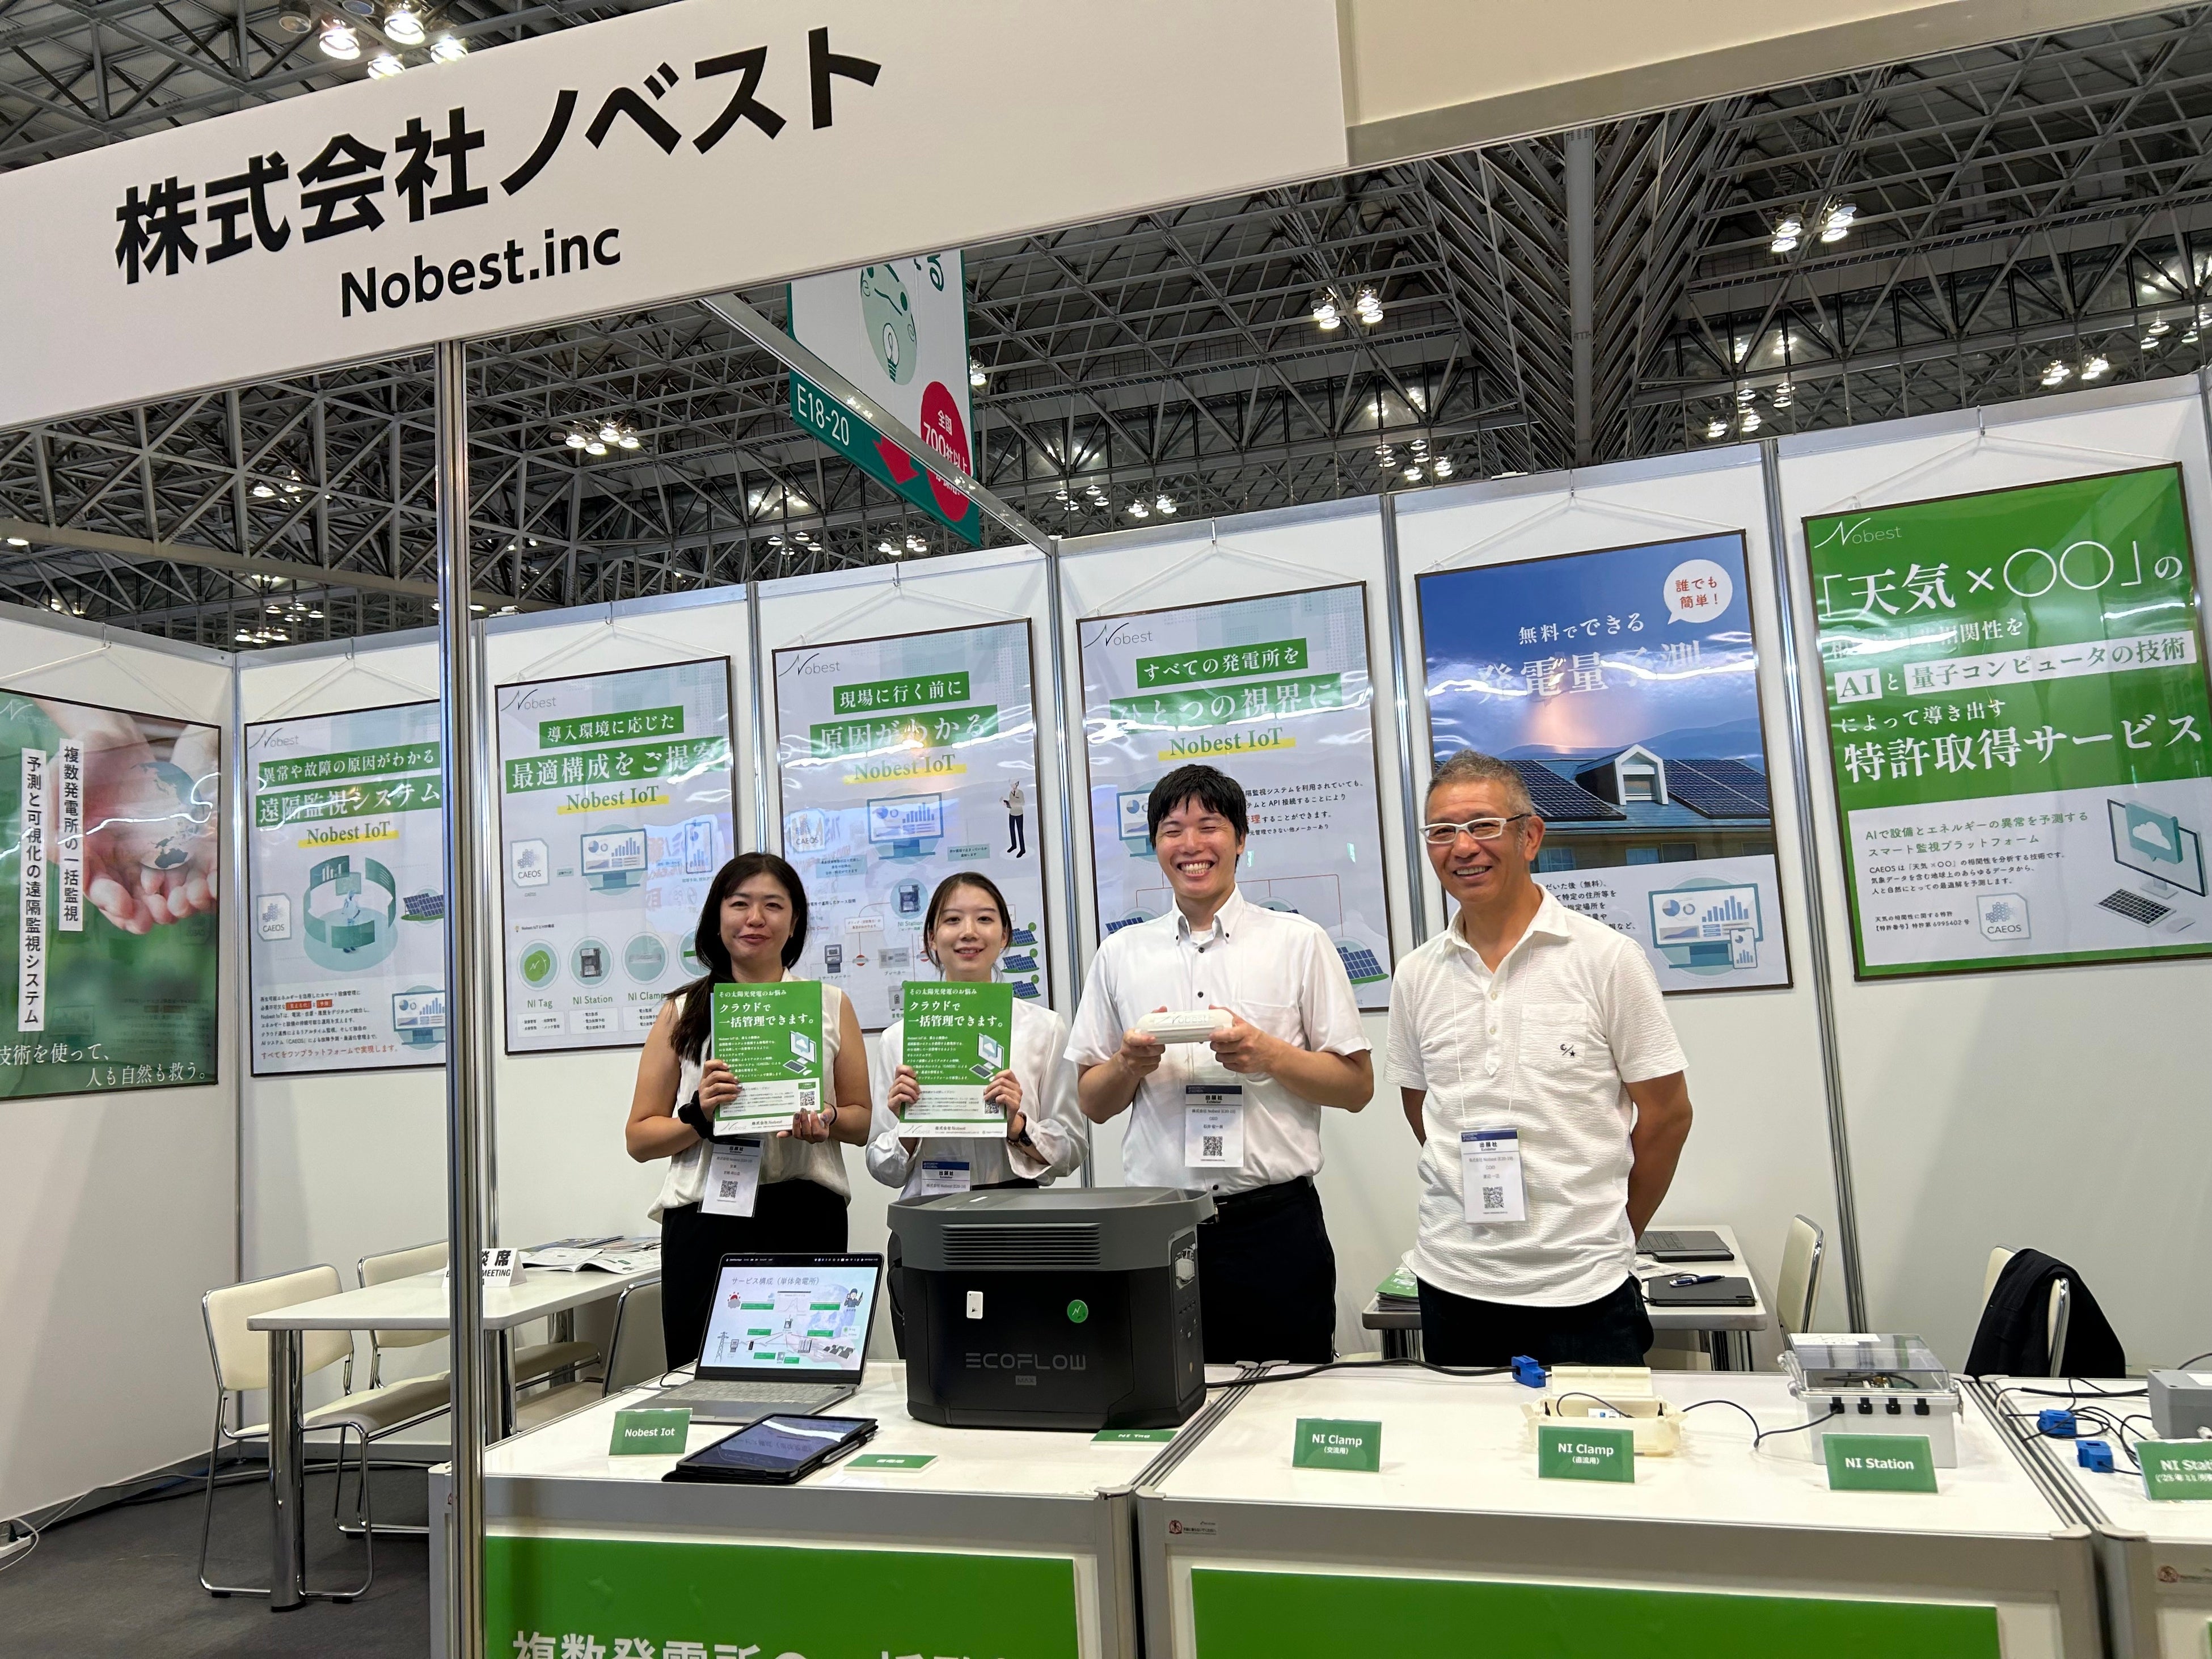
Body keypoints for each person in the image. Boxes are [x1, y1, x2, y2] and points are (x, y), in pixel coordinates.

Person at [1386, 749, 1694, 1367]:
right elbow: (1424, 1109)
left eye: (1482, 825)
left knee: (1598, 1434)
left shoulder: (1606, 959)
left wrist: (1614, 1230)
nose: (1462, 847)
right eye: (1442, 831)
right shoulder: (1417, 974)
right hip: (1453, 1282)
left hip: (1585, 1291)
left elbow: (1668, 1115)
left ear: (1530, 837)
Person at [1067, 763, 1371, 1363]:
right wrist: (1128, 1064)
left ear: (1240, 837)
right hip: (1159, 1228)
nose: (1191, 844)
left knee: (1290, 1401)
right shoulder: (1121, 953)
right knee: (1162, 1397)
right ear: (1155, 845)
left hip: (1274, 1230)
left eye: (1209, 826)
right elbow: (1092, 1103)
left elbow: (1356, 1087)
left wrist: (1269, 1054)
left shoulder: (1298, 942)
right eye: (1172, 830)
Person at [626, 851, 872, 1367]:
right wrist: (698, 1117)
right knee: (703, 1377)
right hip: (707, 1218)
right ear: (717, 916)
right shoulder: (681, 1011)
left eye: (772, 905)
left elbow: (861, 1120)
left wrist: (826, 1119)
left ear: (794, 922)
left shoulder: (830, 1004)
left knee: (809, 1372)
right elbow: (640, 1137)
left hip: (807, 1211)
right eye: (739, 903)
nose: (755, 918)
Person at [867, 871, 1084, 1199]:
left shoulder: (1045, 1028)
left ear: (1005, 935)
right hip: (930, 1208)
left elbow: (1071, 1150)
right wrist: (908, 1128)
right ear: (931, 938)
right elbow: (880, 1167)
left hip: (1019, 1207)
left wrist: (1017, 1127)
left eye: (984, 919)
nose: (969, 932)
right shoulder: (898, 1038)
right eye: (952, 920)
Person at [1002, 779, 1027, 858]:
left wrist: (1013, 804)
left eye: (1013, 784)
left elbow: (1023, 803)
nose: (1012, 786)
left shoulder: (1020, 793)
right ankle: (1014, 845)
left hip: (1019, 814)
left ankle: (1022, 849)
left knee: (1020, 832)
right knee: (1012, 830)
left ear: (1017, 784)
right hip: (1012, 813)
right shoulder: (1011, 793)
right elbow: (1010, 803)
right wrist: (1006, 804)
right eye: (1011, 784)